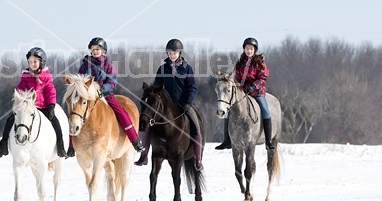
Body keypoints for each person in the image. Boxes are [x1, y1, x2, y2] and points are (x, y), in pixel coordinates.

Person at [69, 37, 144, 157]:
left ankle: (134, 139)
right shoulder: (85, 65)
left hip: (105, 95)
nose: (95, 51)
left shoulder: (108, 66)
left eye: (97, 49)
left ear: (103, 51)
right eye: (93, 49)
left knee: (121, 112)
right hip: (88, 98)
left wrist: (104, 88)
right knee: (75, 112)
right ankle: (71, 145)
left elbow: (113, 80)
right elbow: (79, 80)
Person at [135, 39, 203, 170]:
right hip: (166, 106)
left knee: (196, 125)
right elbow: (156, 87)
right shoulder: (163, 68)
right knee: (147, 123)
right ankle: (144, 156)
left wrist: (189, 102)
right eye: (169, 53)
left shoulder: (186, 68)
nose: (172, 55)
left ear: (180, 53)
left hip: (184, 104)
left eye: (174, 53)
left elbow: (192, 88)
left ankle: (198, 159)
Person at [0, 47, 67, 158]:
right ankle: (3, 146)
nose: (32, 64)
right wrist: (19, 95)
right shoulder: (26, 75)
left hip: (43, 106)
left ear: (41, 62)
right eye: (30, 62)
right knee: (10, 120)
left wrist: (51, 105)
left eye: (35, 62)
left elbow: (51, 91)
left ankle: (60, 146)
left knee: (55, 122)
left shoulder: (46, 76)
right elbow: (21, 88)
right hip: (28, 107)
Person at [214, 37, 274, 151]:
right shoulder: (241, 62)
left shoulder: (260, 62)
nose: (249, 51)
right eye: (247, 48)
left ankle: (268, 140)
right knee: (229, 109)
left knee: (265, 110)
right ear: (244, 49)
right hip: (242, 91)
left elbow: (263, 77)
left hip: (257, 92)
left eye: (251, 49)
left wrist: (254, 86)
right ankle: (227, 140)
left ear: (254, 50)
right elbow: (235, 76)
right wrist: (227, 78)